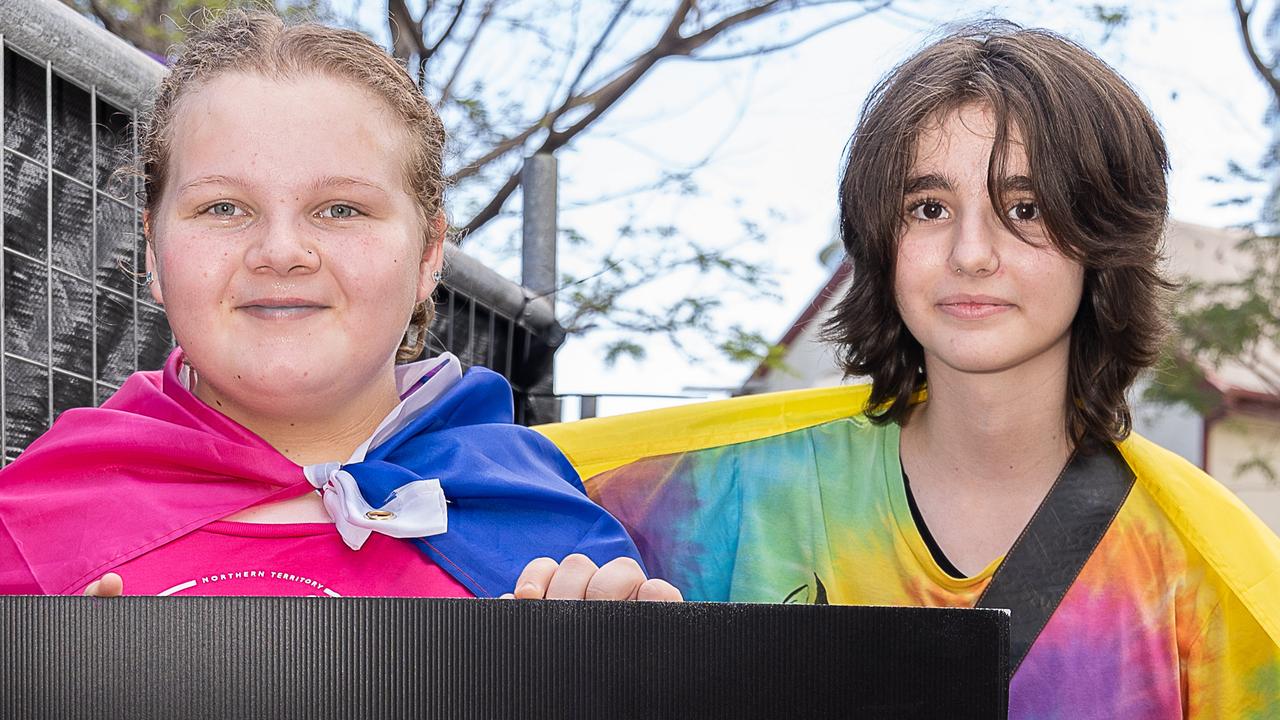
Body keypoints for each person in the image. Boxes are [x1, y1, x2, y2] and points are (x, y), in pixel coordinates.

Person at [539, 22, 1280, 717]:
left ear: (1103, 237)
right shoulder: (708, 496)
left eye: (1025, 206)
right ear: (879, 236)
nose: (971, 252)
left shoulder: (1209, 573)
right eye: (929, 207)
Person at [0, 9, 679, 604]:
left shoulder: (555, 547)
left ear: (427, 257)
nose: (281, 250)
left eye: (342, 208)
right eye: (224, 207)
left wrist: (615, 675)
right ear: (152, 251)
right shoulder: (27, 526)